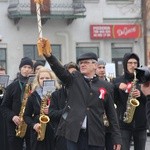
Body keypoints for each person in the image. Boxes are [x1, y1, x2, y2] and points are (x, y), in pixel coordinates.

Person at [37, 38, 122, 150]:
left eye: (86, 62)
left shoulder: (106, 86)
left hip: (95, 135)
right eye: (81, 63)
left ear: (95, 65)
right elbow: (60, 70)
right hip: (74, 135)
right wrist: (49, 56)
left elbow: (112, 114)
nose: (82, 65)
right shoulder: (74, 79)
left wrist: (116, 138)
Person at [113, 53, 147, 150]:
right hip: (124, 124)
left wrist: (142, 94)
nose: (133, 66)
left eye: (135, 63)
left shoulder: (144, 80)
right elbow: (113, 100)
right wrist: (117, 87)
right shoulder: (118, 80)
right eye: (130, 63)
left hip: (141, 124)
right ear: (125, 64)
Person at [23, 67, 61, 150]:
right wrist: (34, 125)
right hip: (38, 133)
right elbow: (26, 115)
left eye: (47, 78)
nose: (44, 80)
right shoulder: (33, 95)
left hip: (56, 133)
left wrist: (51, 112)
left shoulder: (59, 93)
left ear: (52, 79)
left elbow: (64, 112)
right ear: (38, 80)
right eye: (42, 78)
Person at [0, 57, 33, 150]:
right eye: (24, 67)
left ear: (32, 70)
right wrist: (13, 117)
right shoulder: (12, 87)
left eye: (29, 67)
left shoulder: (35, 85)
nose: (27, 69)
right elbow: (4, 107)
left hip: (31, 125)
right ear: (20, 68)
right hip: (15, 126)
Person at [49, 61, 79, 150]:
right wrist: (65, 111)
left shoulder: (84, 92)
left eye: (74, 74)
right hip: (62, 135)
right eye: (69, 74)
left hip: (78, 135)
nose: (71, 77)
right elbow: (51, 113)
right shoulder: (56, 95)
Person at [96, 58, 115, 150]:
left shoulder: (110, 83)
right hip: (97, 120)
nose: (102, 70)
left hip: (109, 121)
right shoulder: (92, 83)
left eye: (103, 67)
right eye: (99, 67)